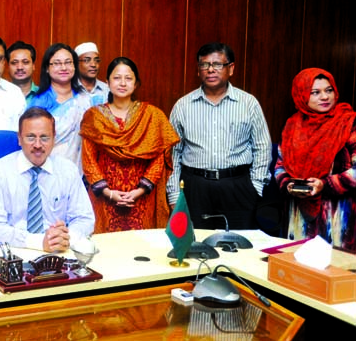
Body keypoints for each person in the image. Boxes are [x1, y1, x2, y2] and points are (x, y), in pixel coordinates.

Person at [168, 42, 271, 229]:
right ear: (198, 70)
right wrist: (174, 195)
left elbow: (262, 147)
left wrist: (255, 187)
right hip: (195, 188)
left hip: (238, 187)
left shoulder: (248, 103)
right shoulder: (182, 106)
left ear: (230, 69)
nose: (210, 70)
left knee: (240, 249)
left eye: (217, 65)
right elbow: (173, 155)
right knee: (196, 247)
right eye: (204, 65)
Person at [80, 57, 180, 233]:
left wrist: (140, 191)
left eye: (128, 78)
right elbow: (88, 160)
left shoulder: (152, 116)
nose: (123, 83)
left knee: (142, 250)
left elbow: (160, 158)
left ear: (136, 83)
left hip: (142, 200)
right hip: (104, 200)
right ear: (107, 82)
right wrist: (108, 193)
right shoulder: (93, 117)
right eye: (117, 78)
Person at [0, 107, 94, 252]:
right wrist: (39, 242)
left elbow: (85, 219)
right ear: (19, 139)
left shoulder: (68, 170)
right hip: (14, 252)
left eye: (44, 138)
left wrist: (65, 238)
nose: (37, 145)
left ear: (54, 138)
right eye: (30, 137)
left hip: (60, 252)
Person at [275, 68, 356, 251]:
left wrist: (324, 185)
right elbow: (280, 166)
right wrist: (289, 185)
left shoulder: (349, 123)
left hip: (337, 216)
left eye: (329, 90)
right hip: (299, 214)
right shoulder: (292, 126)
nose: (325, 97)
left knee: (334, 270)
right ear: (301, 95)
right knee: (300, 268)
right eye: (315, 92)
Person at [28, 43, 91, 169]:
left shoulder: (85, 98)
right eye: (57, 63)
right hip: (47, 168)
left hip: (80, 171)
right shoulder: (39, 102)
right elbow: (31, 140)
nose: (63, 67)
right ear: (47, 68)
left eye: (68, 62)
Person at [74, 42, 109, 106]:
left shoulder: (107, 90)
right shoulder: (69, 89)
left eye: (96, 60)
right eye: (87, 60)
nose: (93, 65)